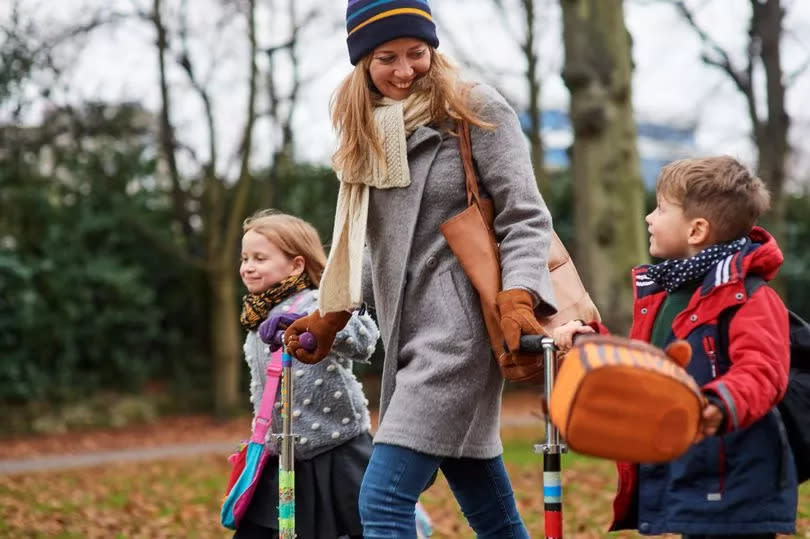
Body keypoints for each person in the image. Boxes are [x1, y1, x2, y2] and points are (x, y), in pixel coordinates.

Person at [282, 1, 557, 537]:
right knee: (492, 515)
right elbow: (376, 248)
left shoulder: (474, 109)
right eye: (387, 57)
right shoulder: (370, 131)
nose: (406, 70)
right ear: (362, 62)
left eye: (417, 52)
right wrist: (329, 316)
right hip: (407, 337)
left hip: (460, 339)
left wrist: (519, 296)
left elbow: (527, 216)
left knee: (383, 501)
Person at [553, 156, 798, 539]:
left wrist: (716, 404)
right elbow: (645, 362)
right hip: (691, 469)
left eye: (661, 208)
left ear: (697, 229)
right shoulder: (666, 293)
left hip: (735, 478)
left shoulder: (750, 297)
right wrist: (590, 339)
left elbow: (764, 371)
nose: (649, 218)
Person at [235, 209, 380, 539]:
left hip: (336, 453)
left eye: (260, 258)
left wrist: (319, 329)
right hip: (282, 456)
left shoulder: (318, 303)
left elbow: (363, 338)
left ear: (297, 264)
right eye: (245, 258)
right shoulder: (256, 319)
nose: (248, 266)